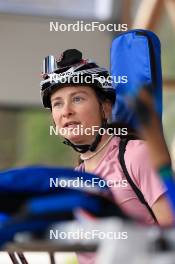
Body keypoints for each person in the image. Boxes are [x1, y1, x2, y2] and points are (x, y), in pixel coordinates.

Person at [40, 49, 174, 226]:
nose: (66, 111)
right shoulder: (73, 179)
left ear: (105, 107)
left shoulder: (137, 155)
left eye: (78, 99)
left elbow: (171, 233)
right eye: (57, 103)